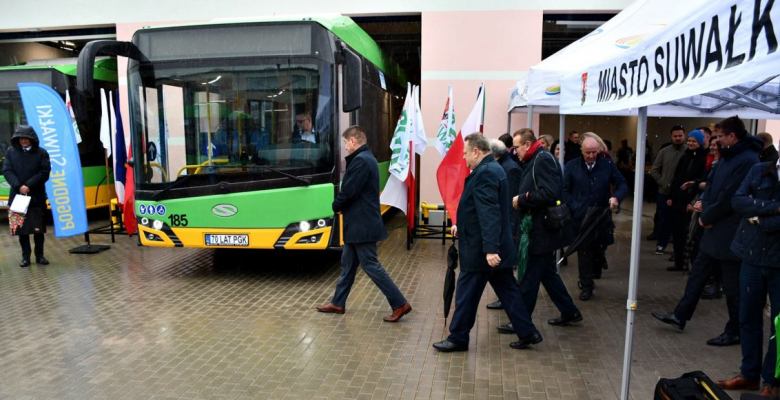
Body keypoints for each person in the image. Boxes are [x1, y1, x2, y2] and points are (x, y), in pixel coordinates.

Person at [652, 116, 762, 347]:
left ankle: (735, 329)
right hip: (713, 228)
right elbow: (712, 185)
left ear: (732, 136)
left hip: (729, 231)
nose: (717, 141)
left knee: (733, 287)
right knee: (697, 275)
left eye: (720, 137)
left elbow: (732, 196)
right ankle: (680, 315)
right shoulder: (728, 157)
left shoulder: (747, 160)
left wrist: (706, 217)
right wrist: (702, 202)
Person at [432, 133, 541, 352]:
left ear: (476, 151)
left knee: (466, 293)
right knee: (508, 291)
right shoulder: (491, 169)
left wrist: (490, 249)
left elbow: (489, 213)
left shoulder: (486, 173)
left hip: (482, 250)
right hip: (490, 247)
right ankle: (528, 332)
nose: (464, 158)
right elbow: (479, 209)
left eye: (465, 153)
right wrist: (460, 225)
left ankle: (458, 338)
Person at [316, 125, 411, 322]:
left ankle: (400, 303)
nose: (345, 147)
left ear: (353, 141)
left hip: (362, 225)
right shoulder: (366, 159)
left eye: (345, 143)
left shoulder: (361, 161)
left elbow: (350, 190)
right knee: (348, 265)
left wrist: (336, 205)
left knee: (371, 265)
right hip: (358, 224)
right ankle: (338, 303)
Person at [717, 157, 780, 396]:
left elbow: (749, 208)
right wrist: (773, 208)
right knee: (748, 317)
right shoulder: (759, 169)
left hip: (777, 262)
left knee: (779, 324)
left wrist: (758, 217)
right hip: (752, 256)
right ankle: (749, 374)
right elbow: (738, 202)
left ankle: (772, 380)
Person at [513, 129, 582, 327]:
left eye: (517, 147)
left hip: (541, 230)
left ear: (527, 144)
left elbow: (550, 193)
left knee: (529, 278)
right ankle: (570, 311)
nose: (515, 151)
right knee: (548, 275)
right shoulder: (535, 158)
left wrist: (523, 199)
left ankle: (522, 323)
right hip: (541, 229)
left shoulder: (541, 159)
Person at [563, 132, 627, 301]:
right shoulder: (571, 166)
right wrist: (574, 206)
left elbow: (622, 184)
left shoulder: (606, 165)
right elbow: (563, 190)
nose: (591, 156)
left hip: (601, 216)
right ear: (581, 151)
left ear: (599, 150)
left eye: (594, 152)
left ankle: (594, 271)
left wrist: (616, 197)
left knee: (599, 249)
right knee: (584, 251)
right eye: (587, 153)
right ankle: (586, 286)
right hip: (581, 217)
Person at [3, 125, 51, 267]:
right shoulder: (11, 152)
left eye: (26, 138)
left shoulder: (42, 153)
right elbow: (7, 170)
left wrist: (28, 185)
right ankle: (25, 257)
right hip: (17, 197)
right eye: (21, 138)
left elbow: (44, 172)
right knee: (21, 230)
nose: (23, 141)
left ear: (32, 139)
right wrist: (19, 186)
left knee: (38, 229)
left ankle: (40, 256)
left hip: (36, 198)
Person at [484, 138, 522, 311]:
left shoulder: (510, 169)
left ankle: (508, 302)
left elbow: (510, 202)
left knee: (504, 271)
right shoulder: (503, 167)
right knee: (504, 274)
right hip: (506, 226)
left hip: (508, 225)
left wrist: (511, 228)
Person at [666, 129, 707, 272]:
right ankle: (679, 263)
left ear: (700, 143)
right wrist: (671, 196)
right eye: (689, 140)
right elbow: (676, 177)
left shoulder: (704, 157)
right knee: (677, 233)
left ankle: (689, 265)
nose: (690, 143)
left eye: (694, 141)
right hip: (679, 200)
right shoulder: (685, 156)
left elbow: (702, 180)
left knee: (689, 235)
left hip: (691, 201)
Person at [649, 125, 687, 255]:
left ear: (684, 136)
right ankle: (661, 244)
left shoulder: (688, 151)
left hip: (682, 194)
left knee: (680, 222)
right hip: (664, 193)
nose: (678, 138)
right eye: (675, 136)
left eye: (680, 136)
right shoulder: (664, 152)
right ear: (671, 137)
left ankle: (679, 249)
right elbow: (654, 170)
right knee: (664, 219)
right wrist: (663, 183)